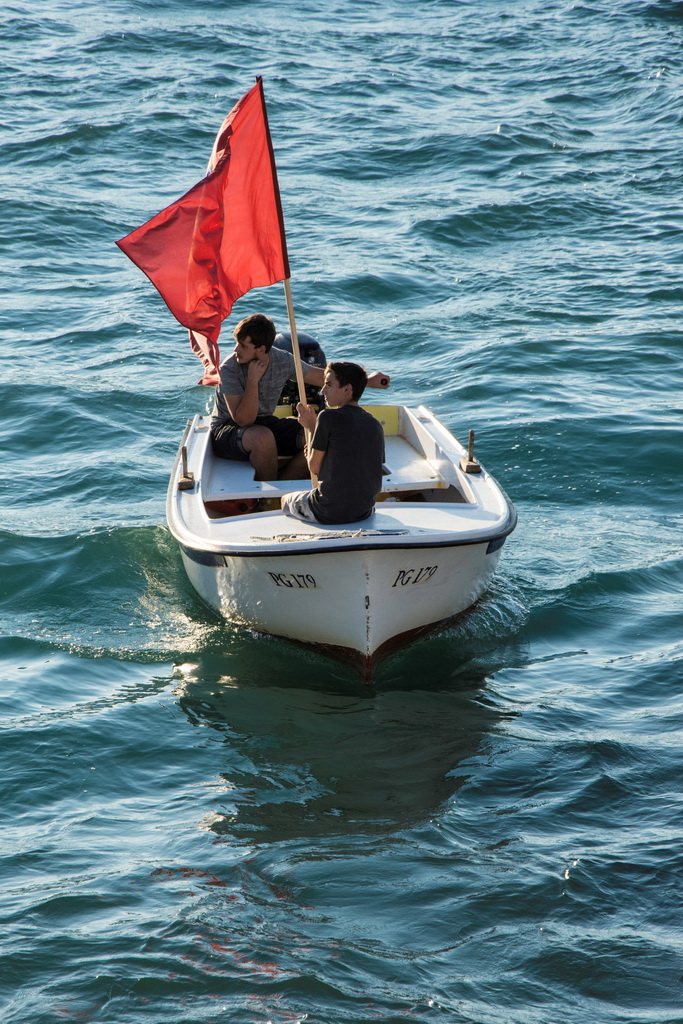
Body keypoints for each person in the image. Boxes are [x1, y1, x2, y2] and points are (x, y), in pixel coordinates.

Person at [210, 314, 390, 480]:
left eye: (243, 345)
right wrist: (252, 380)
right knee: (262, 437)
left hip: (263, 422)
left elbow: (319, 377)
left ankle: (283, 485)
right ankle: (266, 495)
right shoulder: (229, 368)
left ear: (261, 349)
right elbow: (243, 420)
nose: (236, 350)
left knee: (318, 433)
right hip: (226, 430)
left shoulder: (282, 360)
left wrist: (367, 381)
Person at [281, 361, 385, 525]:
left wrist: (310, 426)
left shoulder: (327, 417)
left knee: (285, 500)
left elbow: (314, 468)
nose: (322, 391)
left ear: (347, 389)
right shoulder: (375, 424)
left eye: (329, 385)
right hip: (363, 511)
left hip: (328, 512)